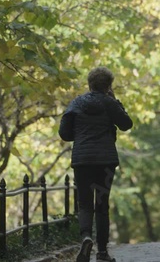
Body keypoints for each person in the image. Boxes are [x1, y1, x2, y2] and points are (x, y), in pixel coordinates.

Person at [59, 67, 133, 262]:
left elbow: (64, 133)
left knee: (84, 204)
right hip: (105, 161)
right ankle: (102, 253)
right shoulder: (109, 103)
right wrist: (115, 101)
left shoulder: (76, 103)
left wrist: (80, 133)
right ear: (108, 85)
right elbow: (126, 124)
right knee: (102, 205)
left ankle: (85, 237)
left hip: (82, 160)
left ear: (89, 84)